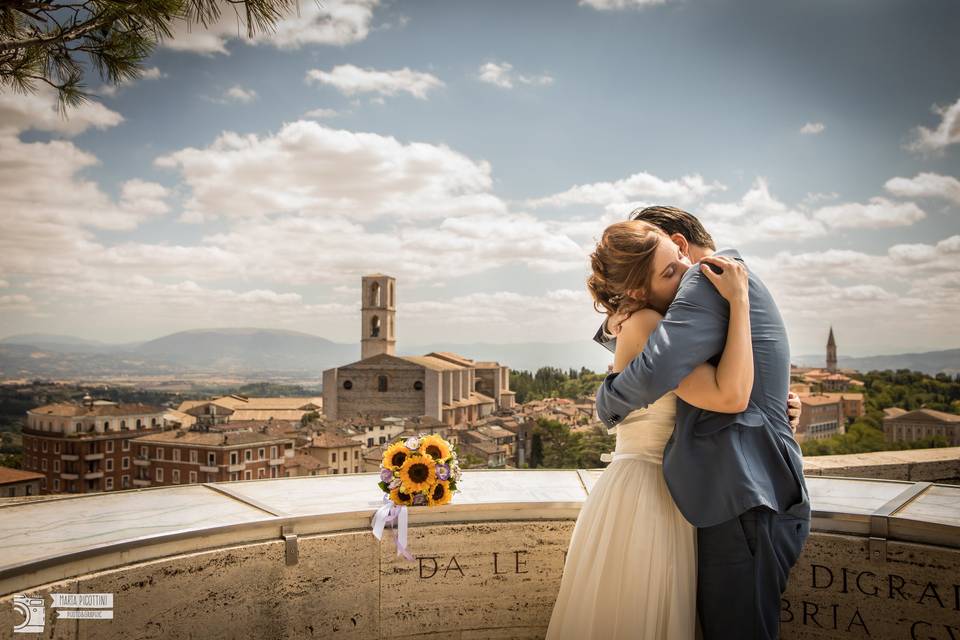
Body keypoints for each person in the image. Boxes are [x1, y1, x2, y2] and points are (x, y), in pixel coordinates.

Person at [592, 206, 811, 640]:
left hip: (744, 496)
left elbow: (659, 368)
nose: (682, 267)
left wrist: (606, 402)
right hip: (748, 491)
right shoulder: (720, 279)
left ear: (677, 239)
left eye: (675, 257)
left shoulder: (706, 279)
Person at [545, 218, 756, 640]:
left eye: (679, 259)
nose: (686, 272)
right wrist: (740, 302)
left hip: (648, 488)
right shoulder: (645, 326)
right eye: (670, 271)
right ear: (638, 292)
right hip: (648, 496)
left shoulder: (644, 320)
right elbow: (729, 396)